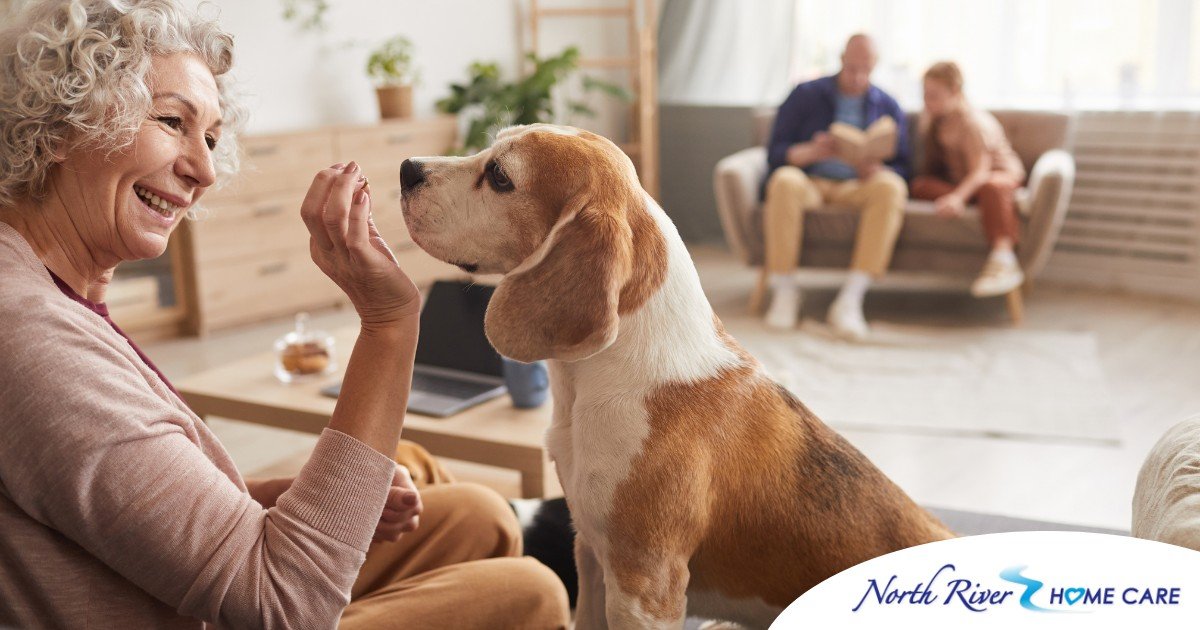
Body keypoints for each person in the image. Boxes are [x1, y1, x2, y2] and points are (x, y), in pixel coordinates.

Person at [0, 1, 569, 628]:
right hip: (267, 604)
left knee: (475, 514)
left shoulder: (45, 290)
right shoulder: (33, 341)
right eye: (171, 121)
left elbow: (110, 505)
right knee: (530, 592)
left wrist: (259, 499)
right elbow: (283, 604)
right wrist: (389, 321)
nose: (206, 170)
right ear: (59, 124)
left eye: (212, 138)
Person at [762, 33, 910, 340]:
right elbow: (775, 153)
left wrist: (879, 168)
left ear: (875, 67)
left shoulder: (888, 105)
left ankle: (851, 298)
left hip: (857, 186)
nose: (858, 77)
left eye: (866, 70)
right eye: (852, 67)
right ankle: (786, 290)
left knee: (891, 186)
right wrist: (810, 151)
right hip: (811, 182)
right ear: (841, 59)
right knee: (784, 181)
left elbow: (907, 167)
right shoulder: (805, 93)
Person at [911, 61, 1027, 297]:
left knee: (990, 187)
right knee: (920, 186)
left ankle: (1003, 258)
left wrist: (956, 198)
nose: (927, 102)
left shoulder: (973, 123)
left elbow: (980, 172)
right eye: (925, 95)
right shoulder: (936, 121)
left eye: (934, 96)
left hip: (993, 177)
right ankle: (987, 204)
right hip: (965, 183)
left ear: (955, 92)